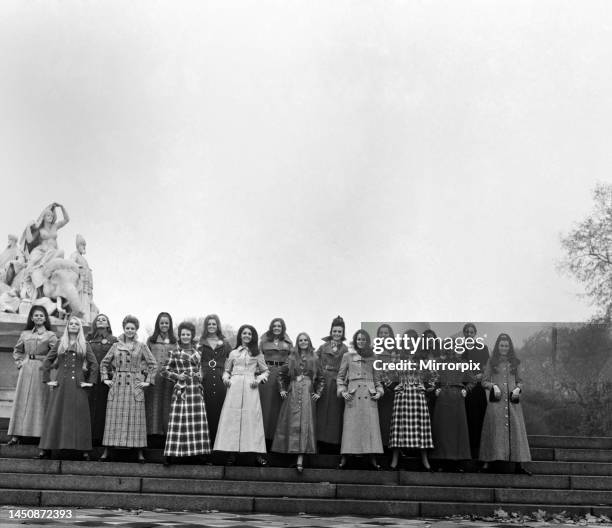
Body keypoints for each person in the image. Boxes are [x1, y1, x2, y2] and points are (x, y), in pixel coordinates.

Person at [38, 316, 98, 460]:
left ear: (79, 327)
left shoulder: (85, 344)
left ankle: (84, 450)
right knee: (55, 414)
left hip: (78, 385)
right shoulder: (60, 342)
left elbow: (94, 364)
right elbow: (47, 361)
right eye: (70, 323)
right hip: (61, 384)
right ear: (67, 326)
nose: (73, 326)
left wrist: (90, 382)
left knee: (80, 416)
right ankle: (46, 448)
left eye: (76, 324)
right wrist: (47, 380)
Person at [99, 315, 157, 463]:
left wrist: (147, 381)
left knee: (136, 420)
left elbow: (153, 364)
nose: (130, 331)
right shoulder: (115, 345)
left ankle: (139, 452)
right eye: (127, 328)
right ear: (124, 329)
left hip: (134, 386)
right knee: (113, 419)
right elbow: (104, 363)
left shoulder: (141, 346)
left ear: (136, 329)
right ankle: (107, 450)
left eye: (132, 328)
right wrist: (106, 379)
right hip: (117, 385)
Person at [214, 324, 269, 466]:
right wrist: (226, 379)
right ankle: (231, 453)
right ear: (240, 335)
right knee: (233, 418)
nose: (246, 336)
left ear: (253, 336)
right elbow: (227, 370)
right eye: (244, 333)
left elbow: (265, 371)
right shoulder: (233, 353)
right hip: (235, 387)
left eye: (249, 334)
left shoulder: (257, 353)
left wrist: (258, 380)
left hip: (250, 387)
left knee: (252, 419)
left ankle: (257, 453)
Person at [480, 333, 532, 475]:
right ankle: (487, 463)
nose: (504, 348)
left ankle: (519, 465)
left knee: (516, 431)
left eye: (506, 346)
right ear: (498, 346)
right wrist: (493, 386)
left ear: (510, 347)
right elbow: (484, 381)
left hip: (512, 403)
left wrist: (517, 389)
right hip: (496, 403)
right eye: (502, 345)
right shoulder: (492, 361)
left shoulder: (516, 362)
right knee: (493, 430)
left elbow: (520, 381)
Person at [272, 332, 324, 472]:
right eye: (300, 340)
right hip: (293, 392)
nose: (303, 342)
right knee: (291, 423)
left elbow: (321, 378)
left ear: (309, 341)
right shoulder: (291, 357)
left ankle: (300, 459)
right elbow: (281, 374)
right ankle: (291, 456)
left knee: (305, 424)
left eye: (305, 339)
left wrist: (318, 393)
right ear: (297, 342)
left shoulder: (315, 358)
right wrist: (282, 389)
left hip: (307, 393)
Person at [161, 321, 211, 465]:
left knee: (198, 421)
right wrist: (177, 376)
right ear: (179, 335)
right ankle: (170, 455)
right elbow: (163, 370)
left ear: (192, 335)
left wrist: (201, 376)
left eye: (188, 334)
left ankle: (201, 455)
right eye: (183, 334)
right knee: (178, 421)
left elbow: (202, 368)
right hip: (181, 389)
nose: (185, 336)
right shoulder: (174, 352)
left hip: (196, 388)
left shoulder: (198, 352)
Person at [7, 305, 57, 445]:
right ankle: (17, 435)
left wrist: (48, 365)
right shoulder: (25, 334)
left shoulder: (50, 335)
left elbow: (57, 354)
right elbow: (17, 350)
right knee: (22, 400)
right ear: (31, 318)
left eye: (41, 315)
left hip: (41, 369)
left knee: (39, 400)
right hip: (26, 368)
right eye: (36, 315)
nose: (39, 317)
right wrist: (19, 363)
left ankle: (40, 434)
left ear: (45, 318)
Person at [337, 329, 384, 470]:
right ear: (355, 341)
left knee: (370, 427)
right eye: (359, 339)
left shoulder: (374, 357)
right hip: (353, 395)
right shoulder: (347, 356)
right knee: (351, 427)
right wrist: (342, 391)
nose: (361, 341)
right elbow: (340, 377)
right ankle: (345, 456)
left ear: (367, 341)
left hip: (369, 396)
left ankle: (372, 457)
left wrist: (379, 392)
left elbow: (378, 380)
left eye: (364, 339)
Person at [388, 335, 434, 471]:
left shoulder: (423, 359)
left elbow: (434, 375)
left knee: (422, 428)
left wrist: (426, 387)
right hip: (402, 397)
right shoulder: (397, 358)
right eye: (407, 342)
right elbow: (385, 373)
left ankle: (425, 460)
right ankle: (394, 460)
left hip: (418, 397)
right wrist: (393, 386)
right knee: (398, 428)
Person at [429, 346, 472, 472]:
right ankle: (441, 461)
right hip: (443, 396)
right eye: (448, 349)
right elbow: (432, 377)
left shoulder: (463, 364)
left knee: (457, 430)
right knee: (442, 429)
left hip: (457, 397)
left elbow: (472, 380)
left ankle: (457, 462)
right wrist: (435, 388)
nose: (451, 352)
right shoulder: (439, 363)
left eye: (453, 349)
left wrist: (466, 389)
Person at [315, 316, 348, 451]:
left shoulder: (345, 349)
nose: (337, 334)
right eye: (335, 331)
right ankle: (318, 441)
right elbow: (314, 361)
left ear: (343, 333)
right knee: (321, 411)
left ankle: (333, 443)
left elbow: (346, 367)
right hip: (323, 381)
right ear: (331, 331)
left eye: (339, 332)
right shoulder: (323, 347)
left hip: (337, 382)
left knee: (335, 412)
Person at [199, 314, 232, 445]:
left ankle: (219, 443)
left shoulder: (225, 343)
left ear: (218, 326)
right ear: (206, 326)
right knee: (204, 409)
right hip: (204, 377)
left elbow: (231, 360)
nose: (211, 326)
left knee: (219, 407)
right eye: (209, 324)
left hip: (220, 377)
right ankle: (205, 442)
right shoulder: (200, 342)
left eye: (214, 324)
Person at [259, 318, 293, 447]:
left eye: (279, 326)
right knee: (266, 406)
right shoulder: (264, 340)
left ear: (283, 327)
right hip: (267, 373)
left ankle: (277, 439)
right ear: (271, 327)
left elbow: (292, 359)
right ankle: (264, 438)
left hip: (282, 375)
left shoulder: (288, 342)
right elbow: (258, 356)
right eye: (274, 326)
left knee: (279, 406)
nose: (277, 328)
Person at [22, 203, 70, 290]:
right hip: (41, 252)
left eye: (51, 215)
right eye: (48, 215)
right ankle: (28, 283)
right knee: (31, 265)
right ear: (43, 217)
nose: (50, 217)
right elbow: (29, 240)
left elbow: (67, 219)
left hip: (52, 252)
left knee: (61, 252)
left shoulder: (55, 226)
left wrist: (62, 207)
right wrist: (28, 228)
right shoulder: (40, 230)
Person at [86, 314, 118, 445]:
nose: (100, 321)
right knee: (89, 405)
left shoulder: (114, 340)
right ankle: (89, 436)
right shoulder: (88, 338)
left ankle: (102, 438)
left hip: (107, 378)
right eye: (98, 319)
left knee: (104, 405)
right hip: (90, 376)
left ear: (108, 324)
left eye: (103, 319)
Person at [145, 312, 176, 441]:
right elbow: (145, 358)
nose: (164, 325)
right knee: (153, 404)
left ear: (170, 325)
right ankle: (153, 435)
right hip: (154, 377)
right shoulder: (151, 340)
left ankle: (166, 435)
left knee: (167, 404)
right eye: (162, 323)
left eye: (166, 323)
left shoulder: (175, 341)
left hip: (169, 377)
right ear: (158, 324)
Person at [463, 323, 490, 460]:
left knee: (478, 419)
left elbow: (487, 367)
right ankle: (466, 451)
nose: (469, 334)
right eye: (467, 332)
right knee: (466, 419)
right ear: (464, 334)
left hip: (478, 388)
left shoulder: (482, 348)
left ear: (475, 334)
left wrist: (479, 376)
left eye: (471, 332)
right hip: (465, 389)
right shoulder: (460, 349)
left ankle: (479, 452)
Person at [375, 324, 396, 449]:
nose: (383, 335)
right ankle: (379, 446)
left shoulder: (396, 351)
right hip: (378, 387)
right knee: (379, 418)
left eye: (386, 333)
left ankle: (390, 445)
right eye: (381, 333)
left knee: (391, 418)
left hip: (393, 388)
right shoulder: (373, 350)